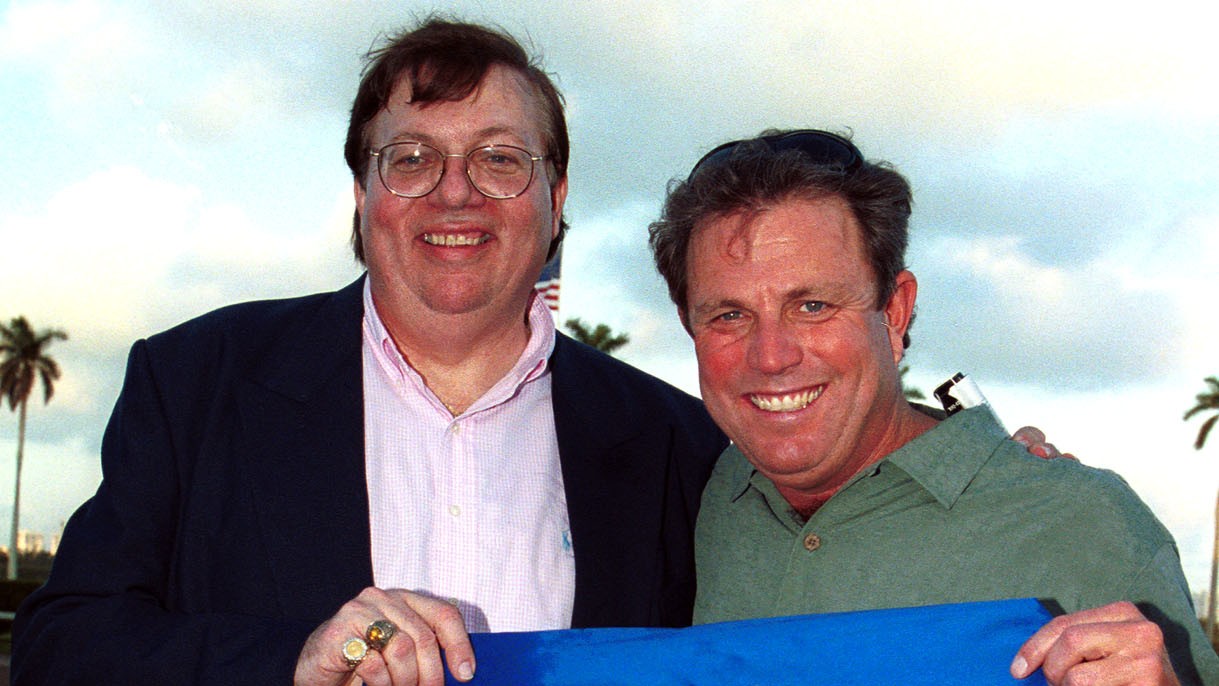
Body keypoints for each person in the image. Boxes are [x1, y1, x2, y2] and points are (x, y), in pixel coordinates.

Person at [10, 19, 728, 685]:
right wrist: (290, 663)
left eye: (500, 158)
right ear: (361, 193)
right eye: (411, 158)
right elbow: (60, 648)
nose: (455, 192)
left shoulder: (680, 445)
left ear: (555, 196)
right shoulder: (194, 384)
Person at [648, 129, 1219, 685]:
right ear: (689, 326)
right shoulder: (696, 495)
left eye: (813, 306)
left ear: (894, 313)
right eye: (729, 315)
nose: (771, 356)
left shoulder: (1080, 523)